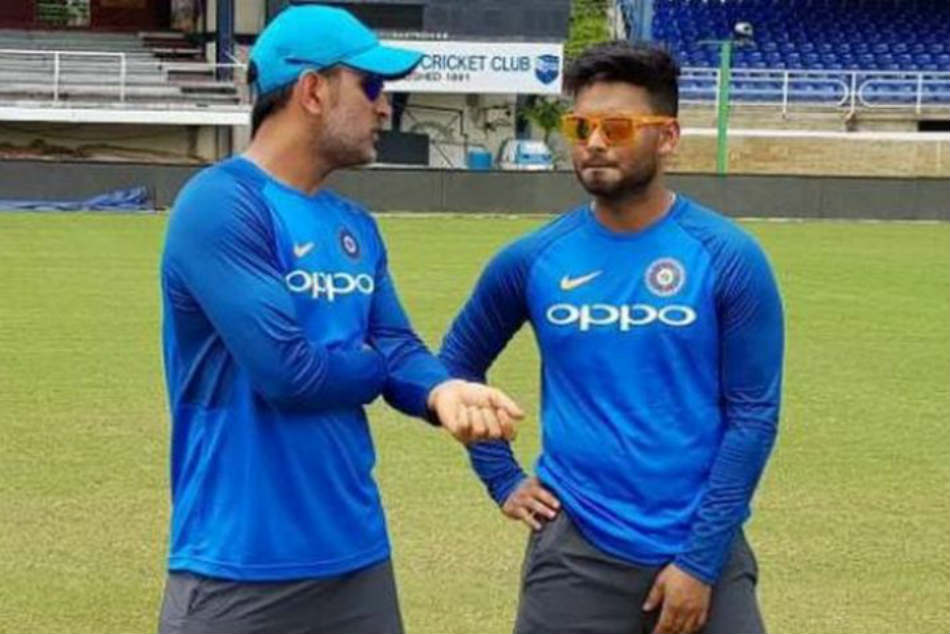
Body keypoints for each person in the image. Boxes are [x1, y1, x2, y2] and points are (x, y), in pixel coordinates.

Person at [157, 6, 523, 634]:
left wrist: (440, 391)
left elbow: (396, 343)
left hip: (356, 557)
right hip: (238, 564)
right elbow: (291, 375)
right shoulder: (221, 204)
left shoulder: (354, 224)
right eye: (372, 85)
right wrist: (378, 368)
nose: (386, 106)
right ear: (313, 91)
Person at [440, 40, 784, 634]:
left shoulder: (728, 257)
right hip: (575, 555)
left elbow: (753, 416)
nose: (594, 142)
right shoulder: (533, 259)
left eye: (617, 127)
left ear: (667, 136)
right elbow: (455, 366)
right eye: (581, 126)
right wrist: (502, 477)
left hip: (703, 549)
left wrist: (699, 563)